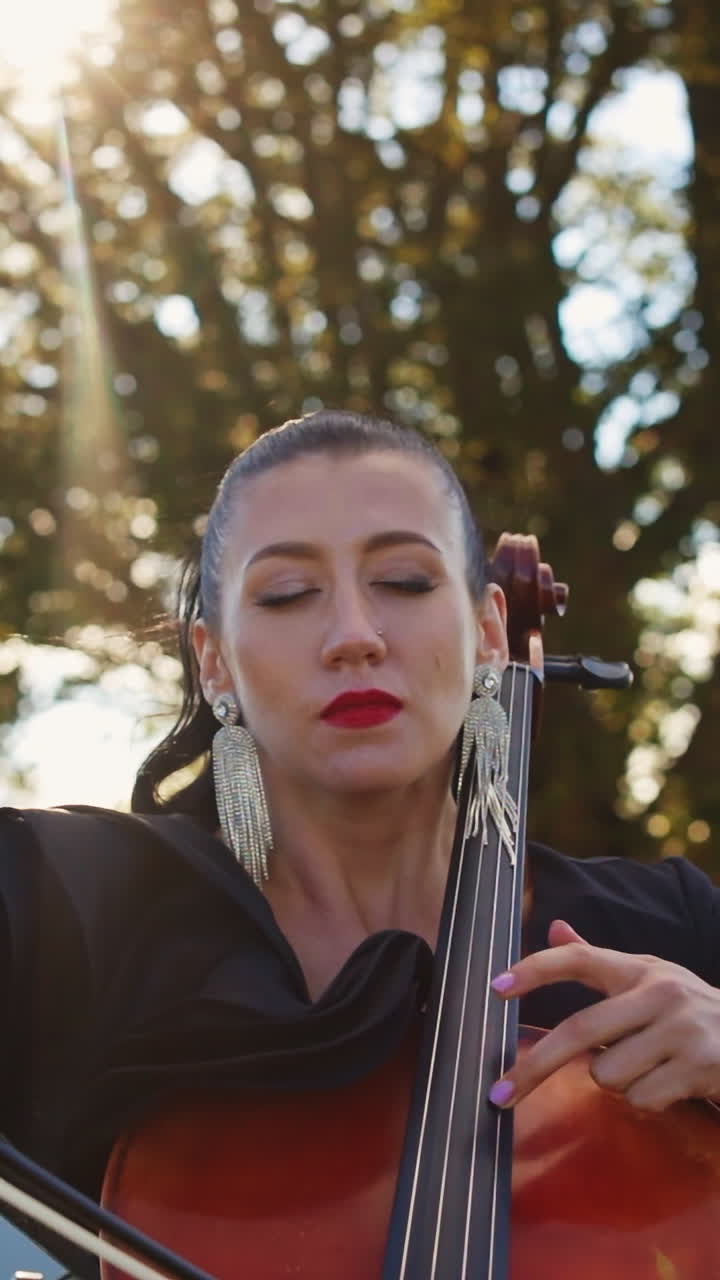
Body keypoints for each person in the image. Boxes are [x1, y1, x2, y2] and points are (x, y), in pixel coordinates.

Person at [2, 409, 720, 1267]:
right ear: (215, 661)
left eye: (407, 583)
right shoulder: (61, 905)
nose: (353, 636)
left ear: (490, 630)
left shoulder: (675, 932)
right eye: (287, 595)